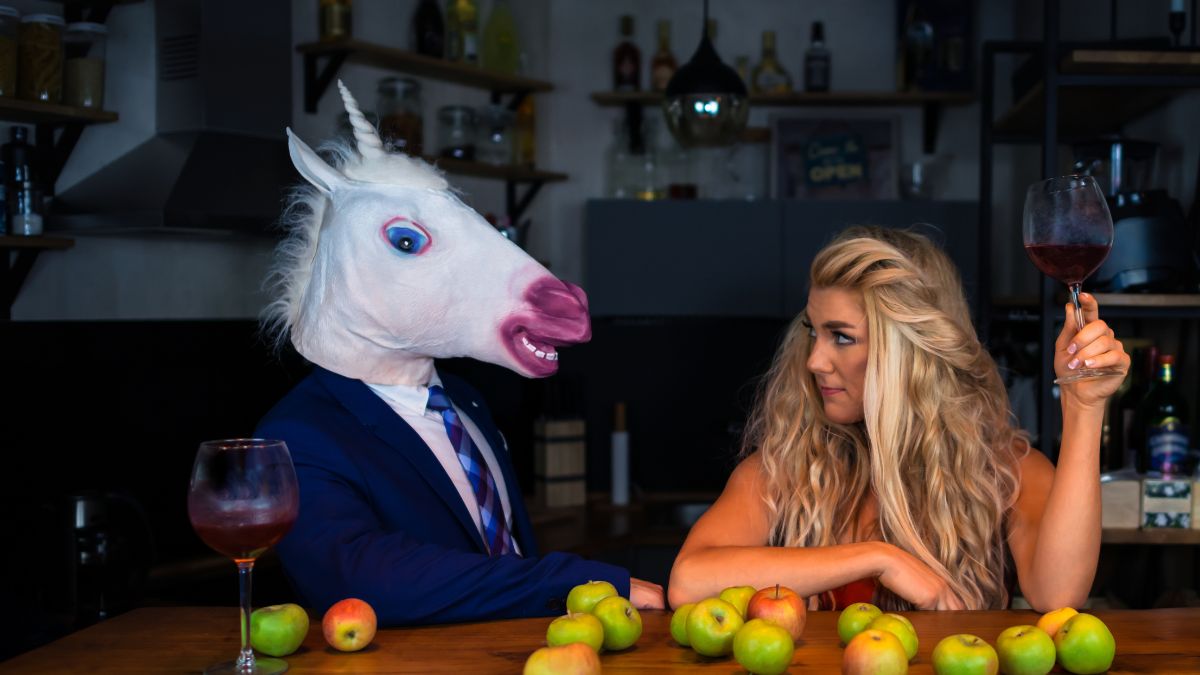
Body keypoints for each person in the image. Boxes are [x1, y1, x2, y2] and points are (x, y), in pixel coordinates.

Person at [256, 81, 663, 626]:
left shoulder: (464, 401)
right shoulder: (295, 440)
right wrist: (572, 584)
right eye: (406, 242)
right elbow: (363, 581)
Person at [668, 226, 1128, 612]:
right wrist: (878, 558)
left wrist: (1084, 407)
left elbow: (1059, 595)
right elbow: (689, 581)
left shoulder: (1006, 469)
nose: (814, 361)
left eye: (841, 338)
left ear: (907, 353)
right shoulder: (788, 466)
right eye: (813, 331)